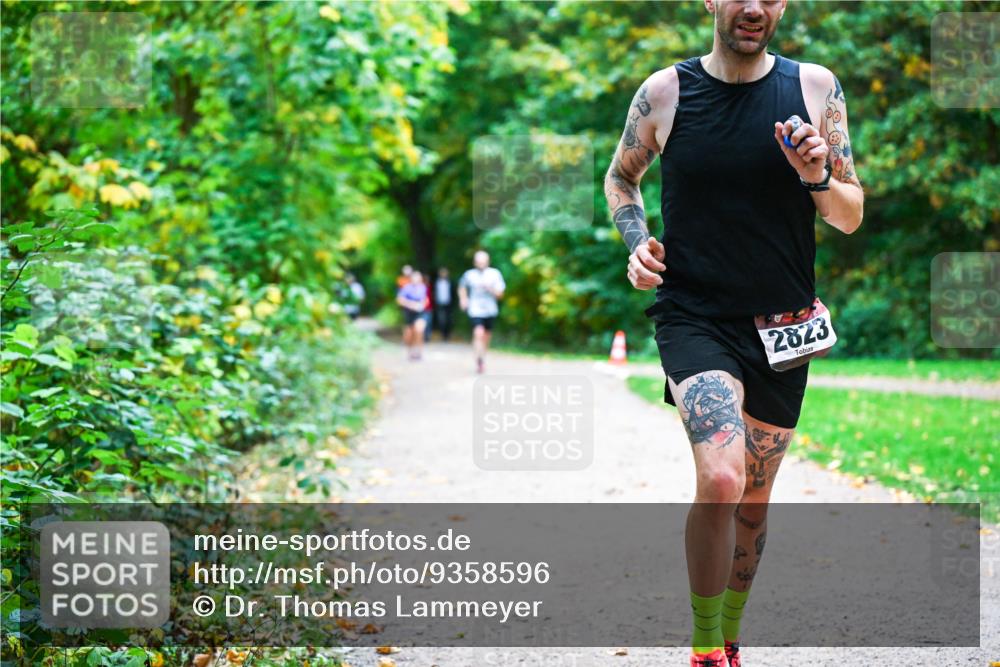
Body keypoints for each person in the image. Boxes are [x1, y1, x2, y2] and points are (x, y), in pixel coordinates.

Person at [602, 1, 863, 665]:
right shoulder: (665, 93)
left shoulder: (814, 88)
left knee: (752, 499)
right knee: (721, 475)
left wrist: (818, 176)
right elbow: (620, 178)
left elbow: (850, 215)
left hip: (783, 327)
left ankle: (729, 635)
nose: (753, 6)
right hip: (694, 316)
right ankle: (702, 649)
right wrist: (636, 244)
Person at [458, 250, 506, 374]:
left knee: (486, 336)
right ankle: (479, 360)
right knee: (478, 332)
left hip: (490, 310)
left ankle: (482, 357)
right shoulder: (469, 275)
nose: (481, 264)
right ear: (475, 262)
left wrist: (490, 288)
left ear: (488, 262)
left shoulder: (495, 274)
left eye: (483, 262)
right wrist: (463, 299)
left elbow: (500, 295)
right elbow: (462, 286)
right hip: (475, 309)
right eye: (479, 262)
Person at [396, 270, 429, 361]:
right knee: (409, 335)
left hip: (419, 313)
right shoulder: (406, 288)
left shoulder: (422, 287)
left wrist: (422, 305)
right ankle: (410, 351)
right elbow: (400, 300)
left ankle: (419, 351)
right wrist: (411, 304)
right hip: (409, 313)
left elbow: (424, 299)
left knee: (419, 330)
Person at [434, 267, 454, 341]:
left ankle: (447, 335)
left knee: (449, 320)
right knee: (441, 320)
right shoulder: (436, 282)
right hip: (440, 304)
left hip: (448, 304)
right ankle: (443, 335)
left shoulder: (450, 282)